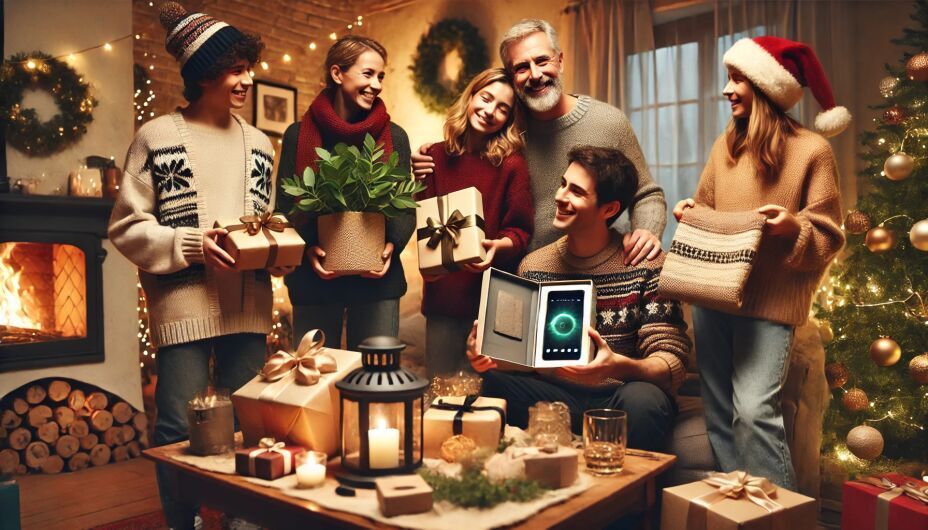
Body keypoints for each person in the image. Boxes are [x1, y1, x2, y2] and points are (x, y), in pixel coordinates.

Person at [108, 4, 274, 528]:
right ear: (203, 74)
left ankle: (238, 520)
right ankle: (184, 522)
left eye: (248, 67)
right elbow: (127, 227)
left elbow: (263, 223)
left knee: (248, 423)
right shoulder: (157, 137)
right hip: (182, 306)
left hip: (248, 307)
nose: (246, 78)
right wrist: (193, 244)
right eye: (234, 68)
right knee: (179, 425)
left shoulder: (261, 145)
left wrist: (276, 244)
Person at [674, 36, 848, 489]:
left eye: (737, 80)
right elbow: (710, 207)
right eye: (728, 79)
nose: (727, 90)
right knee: (719, 414)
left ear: (768, 87)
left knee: (752, 411)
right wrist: (691, 211)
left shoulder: (812, 151)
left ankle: (779, 517)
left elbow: (830, 234)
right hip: (713, 298)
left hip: (770, 306)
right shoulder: (724, 147)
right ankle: (740, 509)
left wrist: (794, 227)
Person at [466, 146, 691, 452]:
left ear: (609, 209)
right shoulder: (535, 266)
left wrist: (615, 366)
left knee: (645, 401)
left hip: (620, 395)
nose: (560, 196)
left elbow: (672, 362)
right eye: (563, 184)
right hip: (555, 394)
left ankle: (628, 487)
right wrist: (486, 357)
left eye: (576, 191)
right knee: (490, 386)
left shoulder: (646, 264)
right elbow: (523, 360)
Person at [413, 19, 666, 265]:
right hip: (525, 275)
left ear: (560, 61)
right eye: (521, 67)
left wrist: (647, 230)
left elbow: (646, 194)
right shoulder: (505, 130)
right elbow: (465, 160)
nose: (535, 74)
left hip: (598, 270)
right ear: (512, 77)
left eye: (542, 61)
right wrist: (429, 155)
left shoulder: (608, 122)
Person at [276, 36, 414, 350]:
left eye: (381, 76)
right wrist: (307, 249)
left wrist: (392, 244)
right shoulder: (297, 136)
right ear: (338, 74)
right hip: (314, 282)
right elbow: (285, 206)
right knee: (313, 384)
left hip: (378, 284)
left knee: (375, 384)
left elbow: (405, 205)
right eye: (368, 74)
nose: (377, 84)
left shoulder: (395, 137)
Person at [416, 68, 534, 378]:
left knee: (483, 404)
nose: (490, 111)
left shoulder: (512, 165)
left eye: (503, 108)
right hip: (442, 300)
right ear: (471, 97)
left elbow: (521, 232)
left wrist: (498, 246)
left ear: (509, 119)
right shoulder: (435, 156)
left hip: (488, 306)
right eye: (485, 98)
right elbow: (423, 221)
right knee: (438, 398)